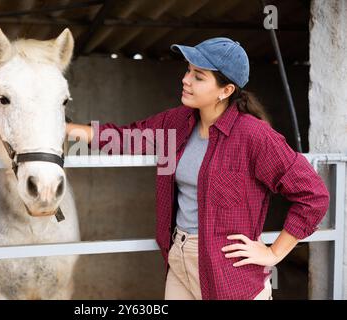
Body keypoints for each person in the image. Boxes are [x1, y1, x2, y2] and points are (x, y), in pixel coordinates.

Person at [66, 38, 330, 300]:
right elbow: (125, 137)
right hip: (179, 258)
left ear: (225, 91)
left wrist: (274, 253)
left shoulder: (254, 135)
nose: (186, 80)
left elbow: (314, 195)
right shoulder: (177, 122)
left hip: (227, 270)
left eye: (199, 77)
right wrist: (61, 128)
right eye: (188, 71)